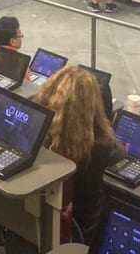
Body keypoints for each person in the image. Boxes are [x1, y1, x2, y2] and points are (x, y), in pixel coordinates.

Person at [31, 66, 124, 245]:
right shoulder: (102, 145)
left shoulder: (36, 129)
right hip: (81, 229)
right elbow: (120, 152)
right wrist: (105, 122)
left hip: (41, 226)